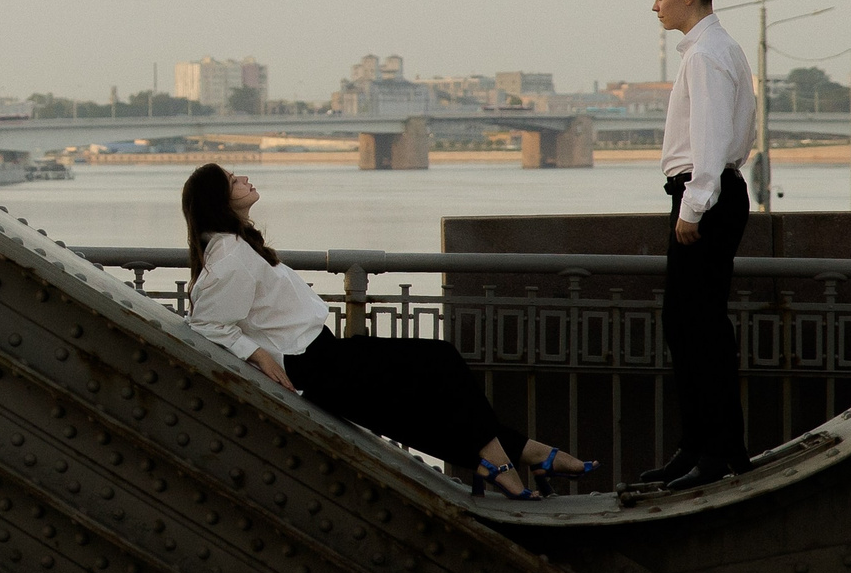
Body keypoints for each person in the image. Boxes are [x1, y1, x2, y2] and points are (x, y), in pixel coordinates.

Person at [177, 162, 588, 498]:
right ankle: (510, 462)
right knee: (438, 364)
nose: (245, 179)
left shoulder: (236, 245)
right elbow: (206, 321)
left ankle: (521, 456)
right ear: (219, 199)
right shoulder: (229, 256)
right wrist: (258, 353)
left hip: (323, 355)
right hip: (312, 365)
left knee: (416, 408)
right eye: (233, 180)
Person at [634, 0, 755, 490]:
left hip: (702, 197)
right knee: (696, 326)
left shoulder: (704, 54)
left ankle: (714, 451)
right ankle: (707, 446)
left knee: (693, 327)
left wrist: (694, 202)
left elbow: (707, 137)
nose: (654, 5)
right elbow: (741, 137)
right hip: (717, 192)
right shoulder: (722, 48)